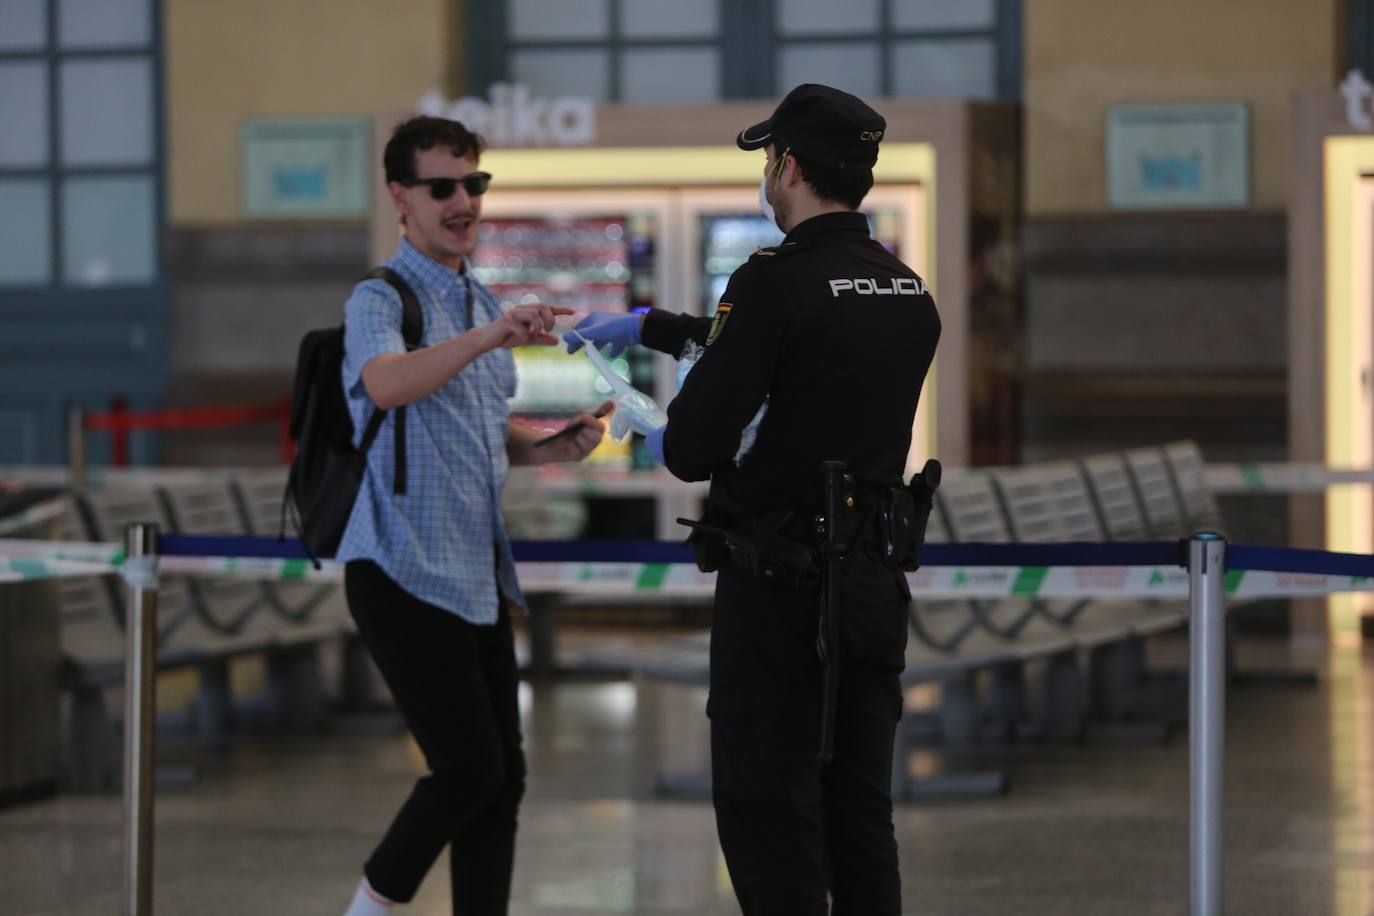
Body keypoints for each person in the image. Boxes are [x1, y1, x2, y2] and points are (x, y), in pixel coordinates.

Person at [568, 84, 941, 915]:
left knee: (767, 810)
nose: (767, 177)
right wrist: (652, 324)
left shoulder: (772, 280)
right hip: (873, 584)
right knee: (857, 815)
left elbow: (698, 445)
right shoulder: (905, 287)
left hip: (781, 594)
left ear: (790, 167)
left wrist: (661, 433)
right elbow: (802, 355)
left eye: (770, 160)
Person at [337, 115, 609, 916]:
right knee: (468, 769)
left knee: (503, 778)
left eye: (474, 184)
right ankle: (370, 909)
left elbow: (474, 435)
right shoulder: (378, 298)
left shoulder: (474, 296)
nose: (464, 201)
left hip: (476, 574)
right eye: (442, 187)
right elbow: (387, 385)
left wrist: (549, 449)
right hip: (401, 567)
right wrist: (491, 335)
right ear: (401, 197)